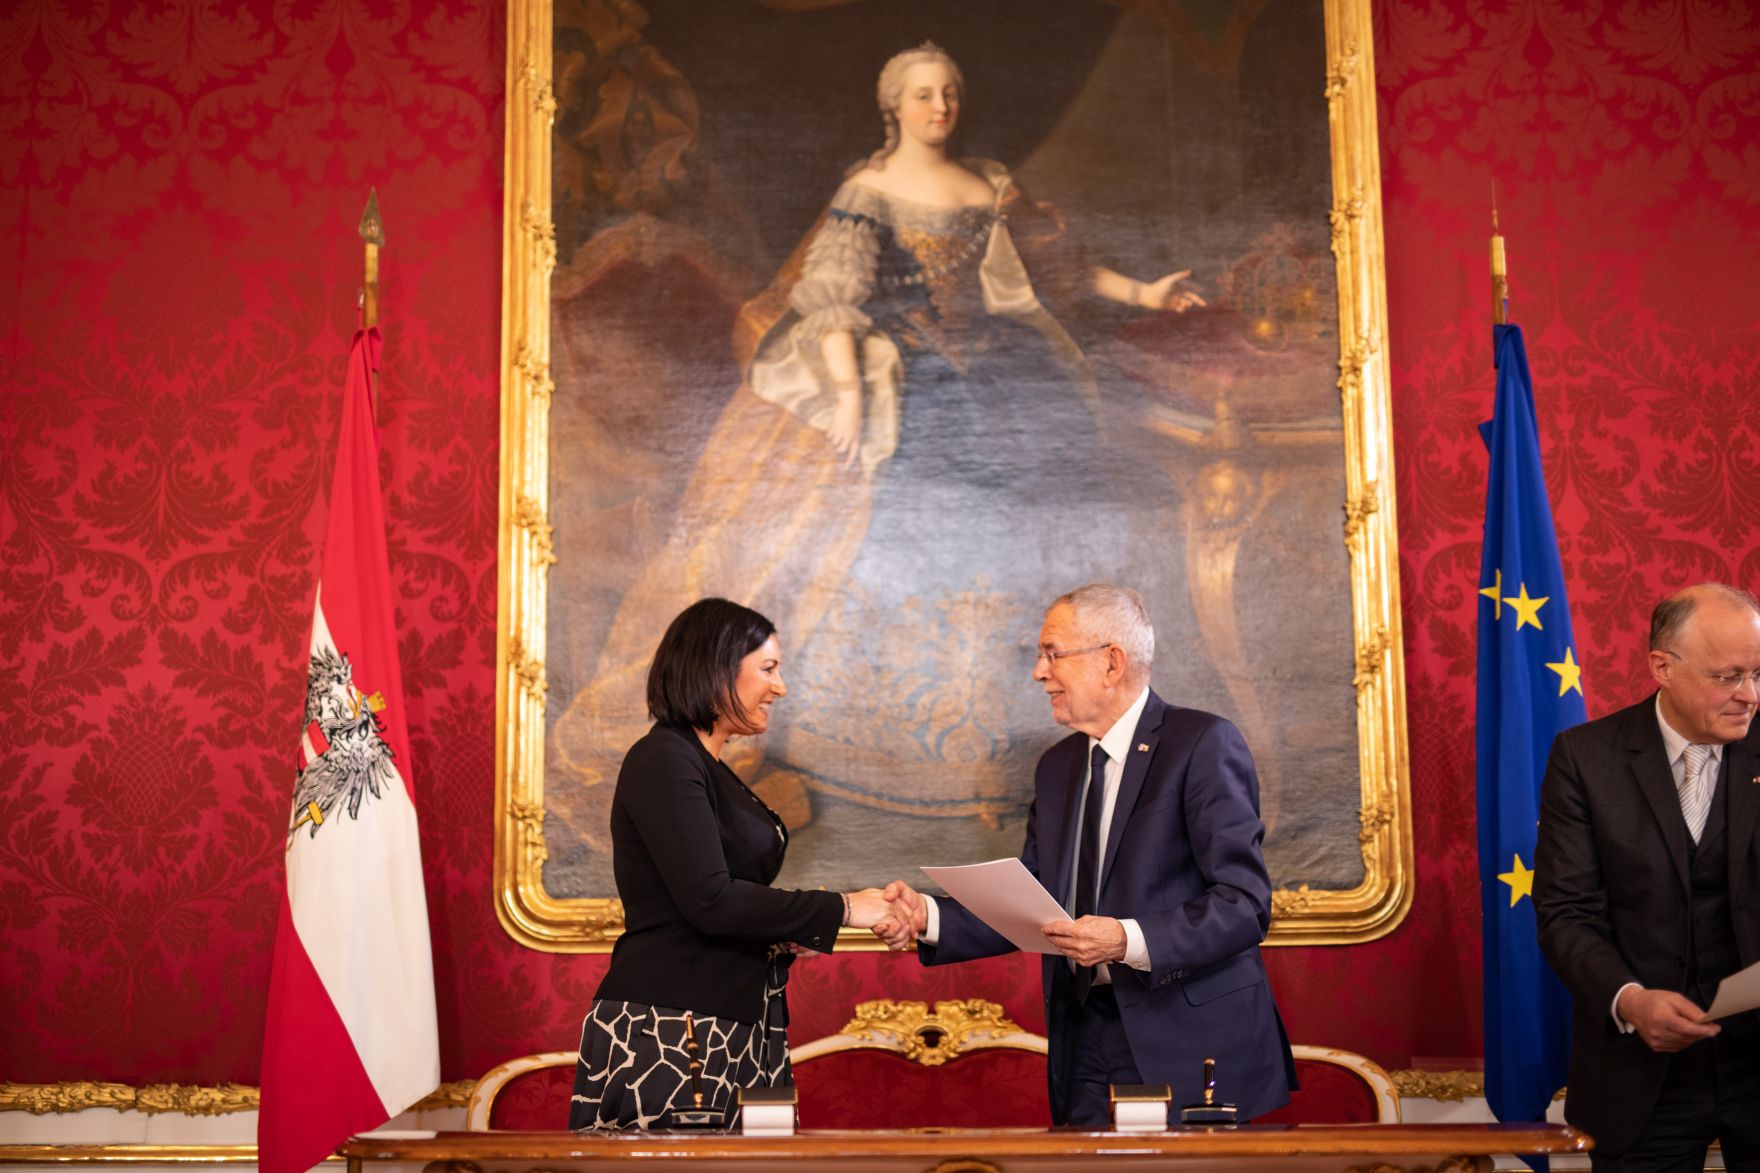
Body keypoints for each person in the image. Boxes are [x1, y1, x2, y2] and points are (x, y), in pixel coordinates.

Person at [551, 41, 1206, 852]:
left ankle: (1015, 736)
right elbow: (829, 301)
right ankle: (875, 743)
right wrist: (852, 403)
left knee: (1045, 500)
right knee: (862, 512)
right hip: (895, 374)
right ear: (894, 105)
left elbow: (1058, 269)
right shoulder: (868, 190)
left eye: (949, 92)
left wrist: (1146, 291)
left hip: (998, 372)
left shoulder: (989, 183)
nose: (941, 107)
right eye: (924, 94)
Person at [875, 584, 1295, 1126]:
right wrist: (928, 917)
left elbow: (1245, 905)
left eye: (1052, 654)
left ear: (1111, 662)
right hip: (1084, 1040)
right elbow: (1035, 900)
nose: (1039, 673)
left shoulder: (1202, 744)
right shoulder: (1057, 767)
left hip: (1190, 1038)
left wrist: (1126, 939)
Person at [569, 598, 892, 1130]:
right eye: (768, 668)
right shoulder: (664, 758)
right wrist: (844, 908)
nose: (780, 687)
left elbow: (723, 896)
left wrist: (779, 930)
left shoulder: (706, 765)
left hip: (742, 1019)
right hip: (675, 1026)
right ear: (717, 667)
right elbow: (711, 900)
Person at [1534, 583, 1760, 1168]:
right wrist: (1630, 1000)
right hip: (1640, 1079)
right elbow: (1565, 912)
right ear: (1663, 667)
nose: (1749, 695)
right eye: (1728, 676)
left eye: (1757, 674)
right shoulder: (1585, 758)